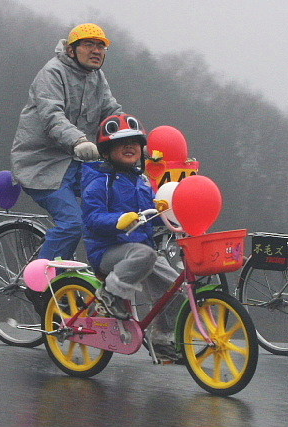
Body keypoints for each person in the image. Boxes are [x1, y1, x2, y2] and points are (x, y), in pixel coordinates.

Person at [11, 23, 122, 263]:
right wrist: (79, 140)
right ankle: (41, 285)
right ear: (71, 50)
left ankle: (105, 273)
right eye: (89, 44)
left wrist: (135, 141)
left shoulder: (97, 77)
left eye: (101, 46)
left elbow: (112, 114)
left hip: (78, 162)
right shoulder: (52, 73)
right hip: (42, 166)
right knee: (73, 223)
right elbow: (52, 116)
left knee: (119, 201)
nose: (96, 50)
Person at [81, 114, 182, 361]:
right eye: (121, 143)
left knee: (177, 288)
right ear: (107, 151)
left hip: (140, 251)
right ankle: (110, 295)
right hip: (107, 251)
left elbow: (153, 216)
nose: (130, 147)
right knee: (145, 253)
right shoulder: (98, 180)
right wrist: (118, 220)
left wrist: (173, 216)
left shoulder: (143, 182)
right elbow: (92, 218)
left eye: (135, 143)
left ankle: (160, 338)